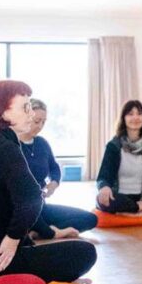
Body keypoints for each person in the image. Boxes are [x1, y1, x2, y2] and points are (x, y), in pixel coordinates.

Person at [0, 80, 96, 284]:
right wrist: (11, 240)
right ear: (3, 112)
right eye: (25, 107)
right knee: (84, 252)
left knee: (28, 244)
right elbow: (32, 201)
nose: (31, 114)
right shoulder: (6, 149)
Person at [17, 98, 97, 240]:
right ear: (26, 117)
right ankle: (47, 231)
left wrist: (54, 183)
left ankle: (41, 231)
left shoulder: (42, 143)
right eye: (37, 121)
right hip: (25, 210)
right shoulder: (12, 146)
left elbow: (54, 168)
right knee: (30, 217)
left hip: (43, 207)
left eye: (44, 122)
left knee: (91, 219)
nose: (40, 126)